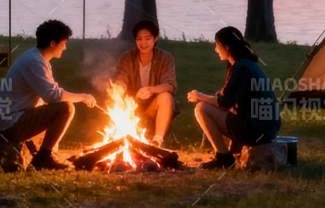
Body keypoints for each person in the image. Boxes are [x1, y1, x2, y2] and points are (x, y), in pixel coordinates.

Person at [0, 18, 96, 169]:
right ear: (53, 43)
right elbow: (52, 96)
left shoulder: (37, 59)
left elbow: (49, 95)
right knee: (66, 108)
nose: (65, 47)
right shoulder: (35, 61)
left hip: (15, 118)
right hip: (11, 123)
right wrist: (83, 97)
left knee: (61, 107)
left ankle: (46, 154)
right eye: (64, 43)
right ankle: (44, 157)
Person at [187, 25, 282, 169]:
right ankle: (232, 152)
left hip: (257, 130)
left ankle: (223, 157)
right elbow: (230, 100)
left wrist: (199, 96)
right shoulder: (245, 64)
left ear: (227, 47)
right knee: (214, 106)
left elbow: (224, 102)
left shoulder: (241, 67)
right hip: (266, 128)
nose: (215, 50)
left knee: (202, 108)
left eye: (217, 45)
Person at [113, 18, 176, 144]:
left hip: (154, 106)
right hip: (133, 107)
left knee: (166, 97)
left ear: (155, 38)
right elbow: (122, 77)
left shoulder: (165, 58)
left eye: (147, 38)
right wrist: (118, 89)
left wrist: (151, 90)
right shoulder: (127, 58)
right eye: (139, 39)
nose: (143, 43)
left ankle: (157, 140)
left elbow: (169, 85)